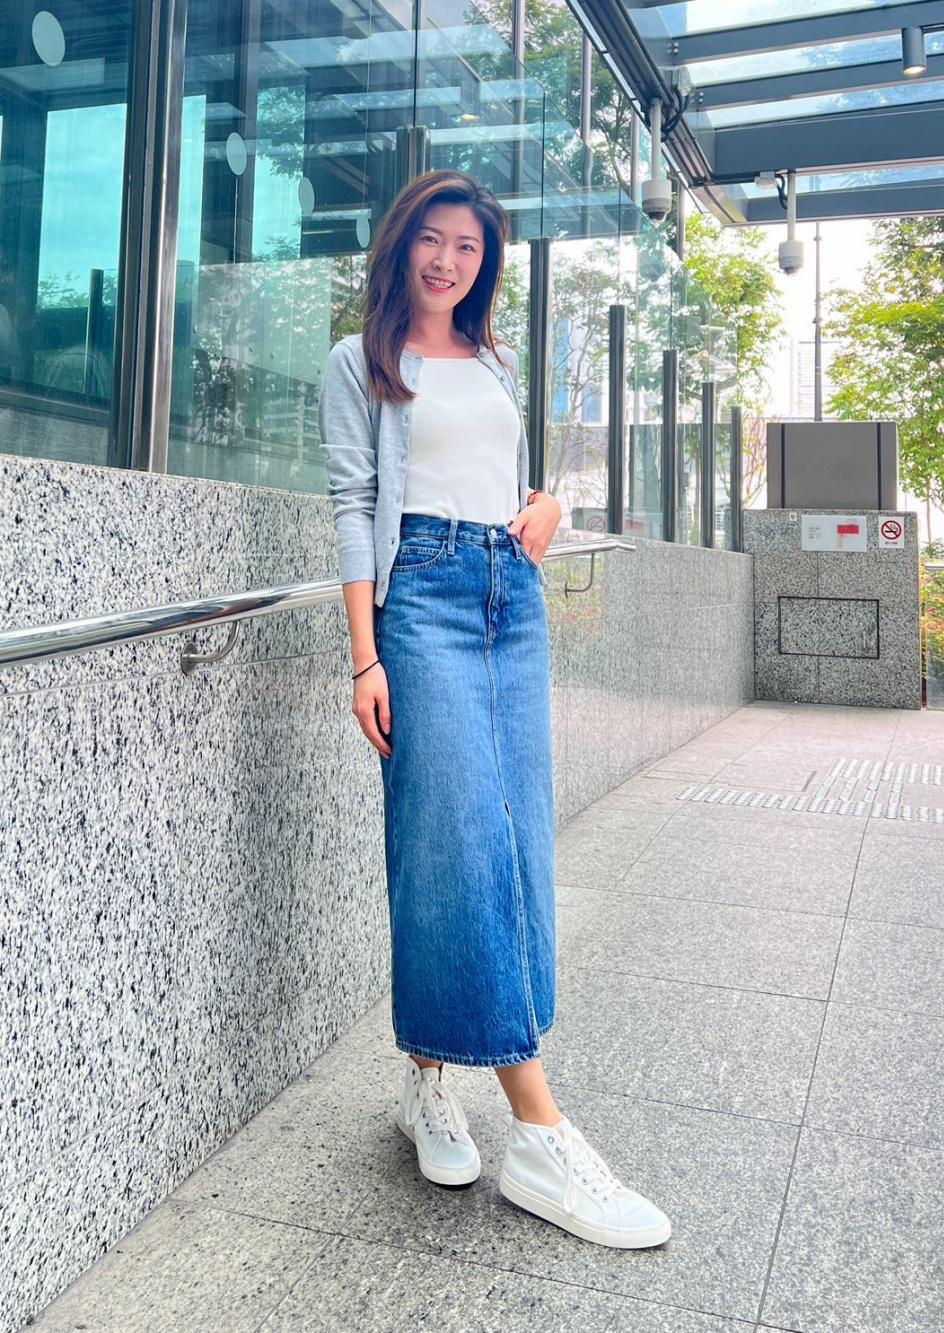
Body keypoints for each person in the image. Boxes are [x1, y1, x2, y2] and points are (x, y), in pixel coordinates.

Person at [319, 168, 670, 1249]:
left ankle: (429, 1072)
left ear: (486, 265)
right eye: (431, 240)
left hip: (506, 598)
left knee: (509, 845)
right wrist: (363, 659)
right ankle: (539, 1129)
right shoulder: (360, 362)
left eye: (467, 248)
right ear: (400, 245)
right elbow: (354, 507)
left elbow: (504, 483)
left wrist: (548, 505)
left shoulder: (497, 363)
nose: (447, 261)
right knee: (456, 837)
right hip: (415, 597)